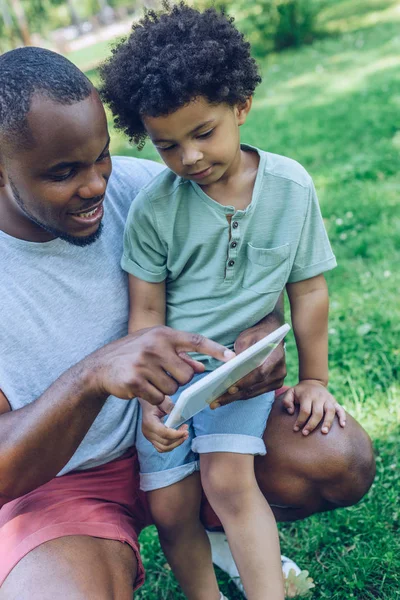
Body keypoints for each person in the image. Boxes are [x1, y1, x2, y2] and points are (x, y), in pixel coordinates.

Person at [0, 46, 374, 600]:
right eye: (63, 173)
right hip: (66, 481)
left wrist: (259, 337)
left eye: (101, 156)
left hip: (194, 421)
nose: (97, 185)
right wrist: (92, 375)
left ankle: (219, 527)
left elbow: (238, 281)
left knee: (335, 457)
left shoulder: (147, 189)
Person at [98, 4, 363, 599]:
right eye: (166, 145)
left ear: (240, 106)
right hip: (171, 382)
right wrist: (151, 399)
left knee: (228, 480)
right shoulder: (155, 210)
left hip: (237, 373)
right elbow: (145, 315)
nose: (188, 158)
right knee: (170, 509)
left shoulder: (291, 188)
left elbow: (310, 288)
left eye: (203, 133)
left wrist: (315, 378)